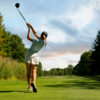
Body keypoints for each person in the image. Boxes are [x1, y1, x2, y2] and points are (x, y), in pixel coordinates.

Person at [25, 22, 48, 92]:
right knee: (34, 71)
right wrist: (31, 26)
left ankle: (29, 87)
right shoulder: (43, 43)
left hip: (29, 54)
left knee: (28, 72)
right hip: (35, 55)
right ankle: (34, 83)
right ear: (45, 37)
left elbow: (28, 37)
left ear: (41, 35)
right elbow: (35, 34)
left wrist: (29, 29)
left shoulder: (35, 41)